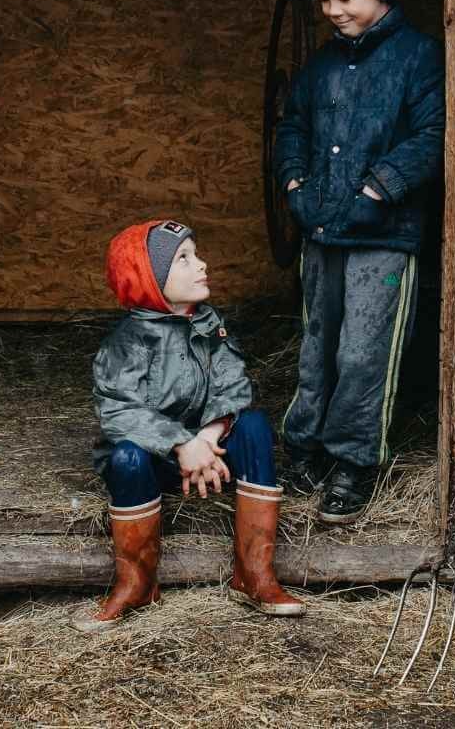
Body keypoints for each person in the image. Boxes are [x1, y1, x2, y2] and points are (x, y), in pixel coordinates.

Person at [272, 0, 445, 525]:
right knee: (317, 346)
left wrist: (377, 191)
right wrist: (296, 181)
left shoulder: (419, 59)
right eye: (323, 0)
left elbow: (433, 137)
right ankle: (305, 447)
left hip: (385, 240)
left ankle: (354, 461)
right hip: (322, 231)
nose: (332, 10)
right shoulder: (320, 68)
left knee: (364, 353)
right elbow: (290, 126)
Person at [72, 219, 305, 632]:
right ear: (149, 277)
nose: (202, 264)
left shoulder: (210, 324)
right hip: (156, 461)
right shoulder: (126, 342)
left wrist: (206, 438)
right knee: (126, 456)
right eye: (184, 259)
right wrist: (181, 444)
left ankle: (254, 576)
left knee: (252, 426)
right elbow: (119, 410)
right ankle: (136, 584)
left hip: (208, 454)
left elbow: (234, 385)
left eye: (196, 254)